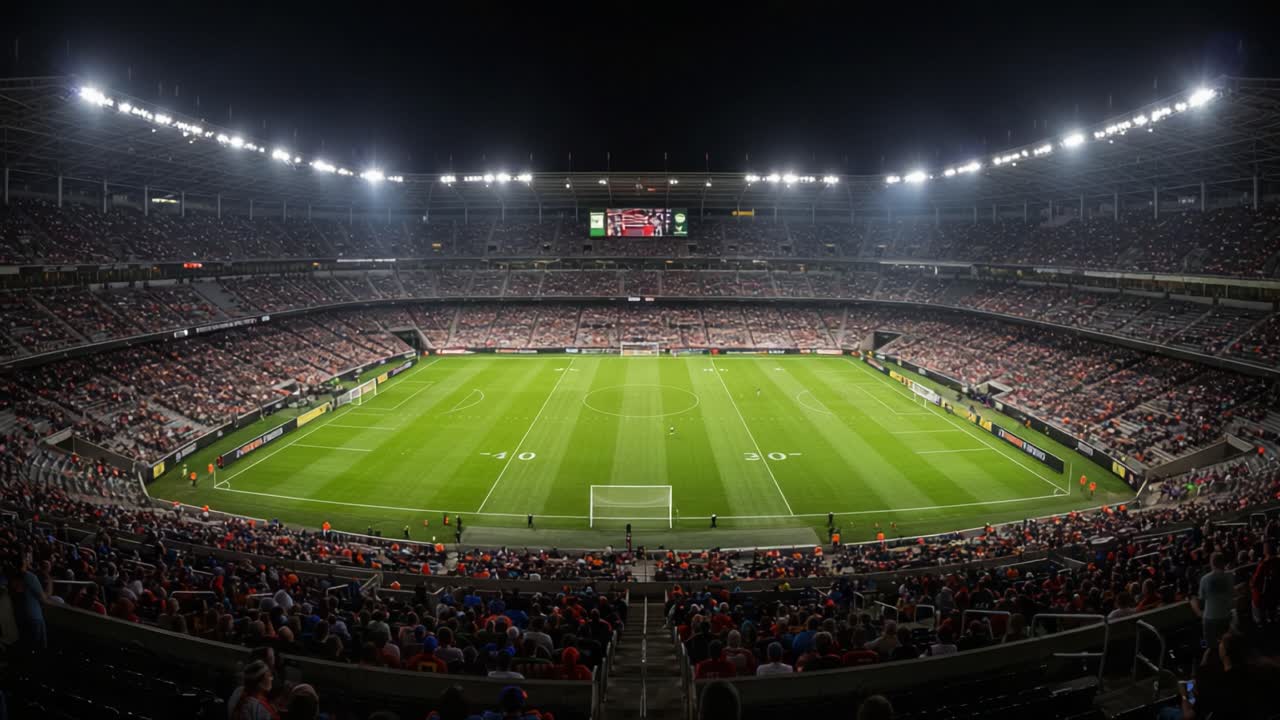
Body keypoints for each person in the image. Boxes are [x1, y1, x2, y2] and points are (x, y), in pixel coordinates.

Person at [1192, 552, 1234, 649]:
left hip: (1210, 618)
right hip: (1226, 615)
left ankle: (1205, 652)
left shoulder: (1205, 579)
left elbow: (1202, 598)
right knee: (1224, 643)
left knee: (1209, 645)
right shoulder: (1230, 576)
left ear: (1212, 563)